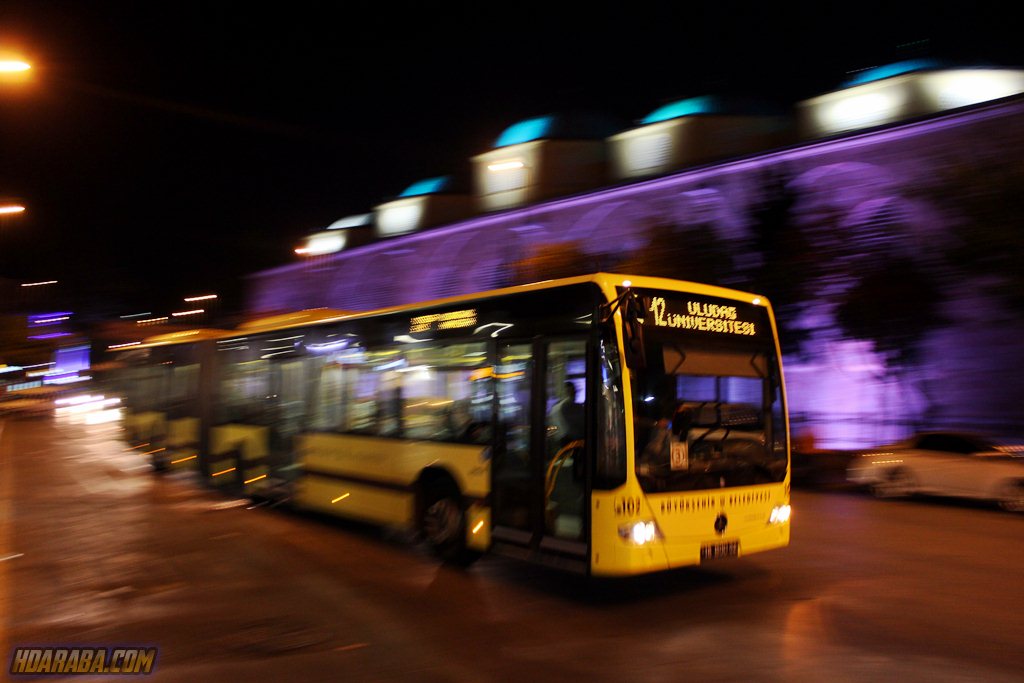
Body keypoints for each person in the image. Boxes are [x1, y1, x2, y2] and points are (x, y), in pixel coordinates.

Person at [549, 381, 585, 446]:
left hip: (561, 441)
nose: (574, 394)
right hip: (572, 442)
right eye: (573, 391)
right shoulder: (570, 406)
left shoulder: (555, 408)